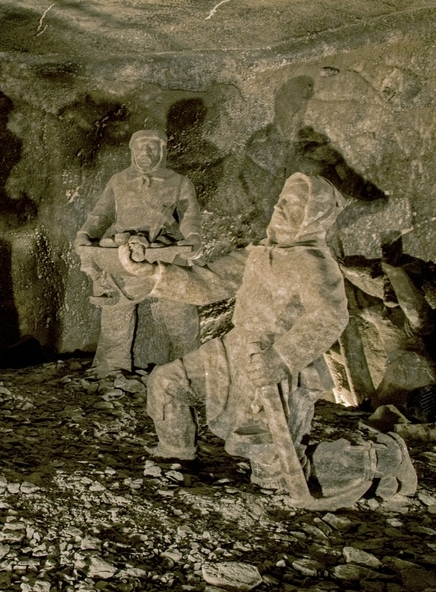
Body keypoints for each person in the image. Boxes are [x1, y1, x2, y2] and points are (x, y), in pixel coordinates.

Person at [120, 173, 416, 499]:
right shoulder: (259, 253)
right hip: (234, 349)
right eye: (282, 201)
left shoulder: (314, 264)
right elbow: (209, 283)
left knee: (276, 476)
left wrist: (280, 359)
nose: (281, 209)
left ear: (313, 217)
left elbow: (329, 317)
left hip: (276, 366)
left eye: (294, 206)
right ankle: (176, 457)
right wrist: (152, 272)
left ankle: (384, 458)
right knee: (168, 382)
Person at [75, 129, 202, 374]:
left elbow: (189, 216)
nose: (145, 152)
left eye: (151, 147)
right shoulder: (119, 181)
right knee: (116, 313)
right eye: (140, 147)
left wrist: (193, 239)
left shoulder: (178, 182)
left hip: (164, 255)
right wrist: (84, 234)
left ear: (162, 151)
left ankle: (189, 369)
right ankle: (111, 368)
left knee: (180, 315)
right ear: (132, 151)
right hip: (125, 256)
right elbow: (100, 215)